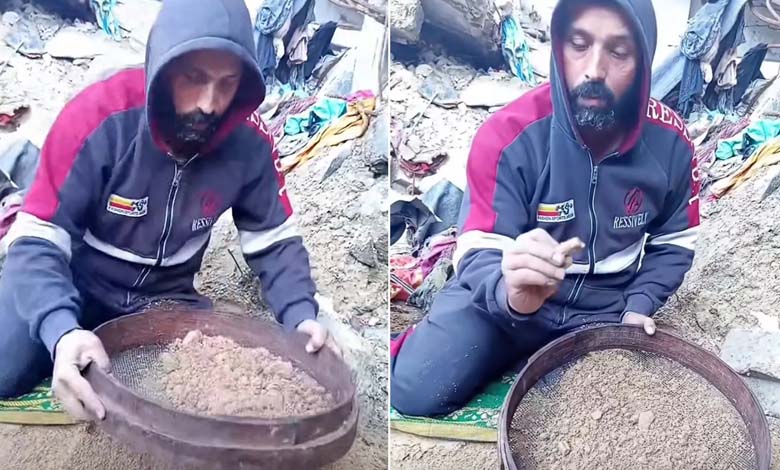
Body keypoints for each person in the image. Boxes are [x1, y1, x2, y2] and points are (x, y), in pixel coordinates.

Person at [0, 0, 339, 421]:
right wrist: (61, 330)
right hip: (78, 280)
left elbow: (275, 241)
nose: (210, 104)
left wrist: (300, 315)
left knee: (204, 402)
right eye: (193, 79)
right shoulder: (98, 115)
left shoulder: (250, 143)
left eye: (227, 83)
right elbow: (38, 239)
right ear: (161, 68)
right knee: (5, 370)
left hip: (165, 300)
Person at [391, 0, 700, 417]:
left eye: (618, 51)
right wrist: (512, 294)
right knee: (414, 393)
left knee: (620, 414)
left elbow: (675, 242)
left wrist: (638, 306)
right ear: (558, 47)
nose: (594, 70)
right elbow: (480, 247)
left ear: (643, 62)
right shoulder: (508, 134)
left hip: (604, 308)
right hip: (502, 299)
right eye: (579, 44)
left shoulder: (672, 144)